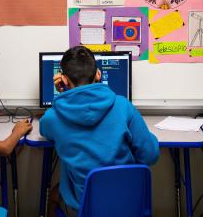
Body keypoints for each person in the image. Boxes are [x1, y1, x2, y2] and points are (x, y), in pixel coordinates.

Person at [39, 46, 159, 216]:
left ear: (63, 81)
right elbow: (150, 155)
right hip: (128, 202)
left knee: (56, 191)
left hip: (86, 206)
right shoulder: (123, 106)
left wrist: (63, 96)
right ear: (98, 74)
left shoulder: (53, 117)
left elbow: (44, 129)